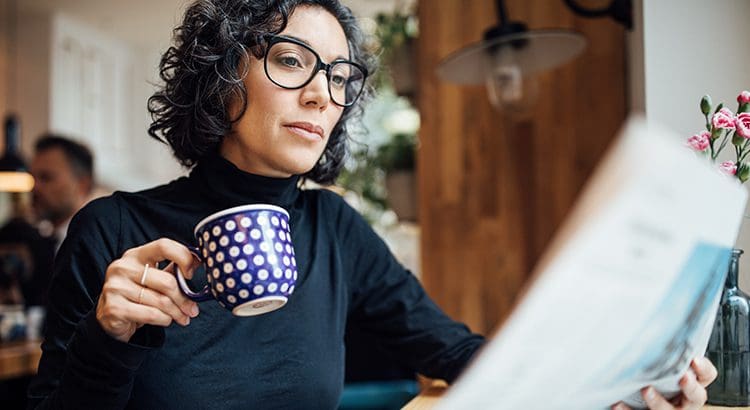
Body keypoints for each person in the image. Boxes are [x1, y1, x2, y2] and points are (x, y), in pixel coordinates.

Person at [26, 1, 715, 409]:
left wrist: (626, 377)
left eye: (339, 76)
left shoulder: (334, 230)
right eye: (292, 61)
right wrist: (106, 338)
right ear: (222, 71)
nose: (323, 95)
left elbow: (459, 353)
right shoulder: (112, 232)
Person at [29, 135, 94, 252]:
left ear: (82, 184)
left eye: (46, 178)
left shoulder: (96, 246)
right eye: (33, 178)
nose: (35, 187)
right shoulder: (36, 244)